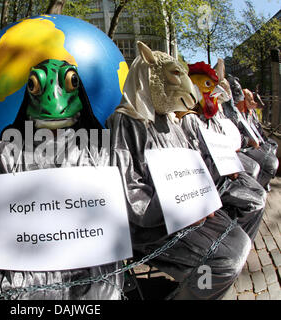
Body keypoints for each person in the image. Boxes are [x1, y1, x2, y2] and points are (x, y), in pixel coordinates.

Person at [106, 42, 251, 299]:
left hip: (189, 216)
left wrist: (204, 198)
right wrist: (177, 208)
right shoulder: (125, 121)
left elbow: (192, 167)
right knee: (223, 262)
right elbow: (129, 189)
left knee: (239, 240)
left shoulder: (172, 122)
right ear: (148, 75)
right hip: (154, 227)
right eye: (175, 74)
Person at [0, 59, 123, 299]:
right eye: (36, 86)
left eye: (70, 83)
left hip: (89, 272)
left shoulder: (101, 152)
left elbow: (118, 209)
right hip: (25, 273)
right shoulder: (5, 152)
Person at [176, 62, 266, 241]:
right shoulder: (188, 120)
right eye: (208, 85)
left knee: (258, 192)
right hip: (212, 183)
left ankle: (239, 235)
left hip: (221, 176)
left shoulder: (210, 117)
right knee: (254, 202)